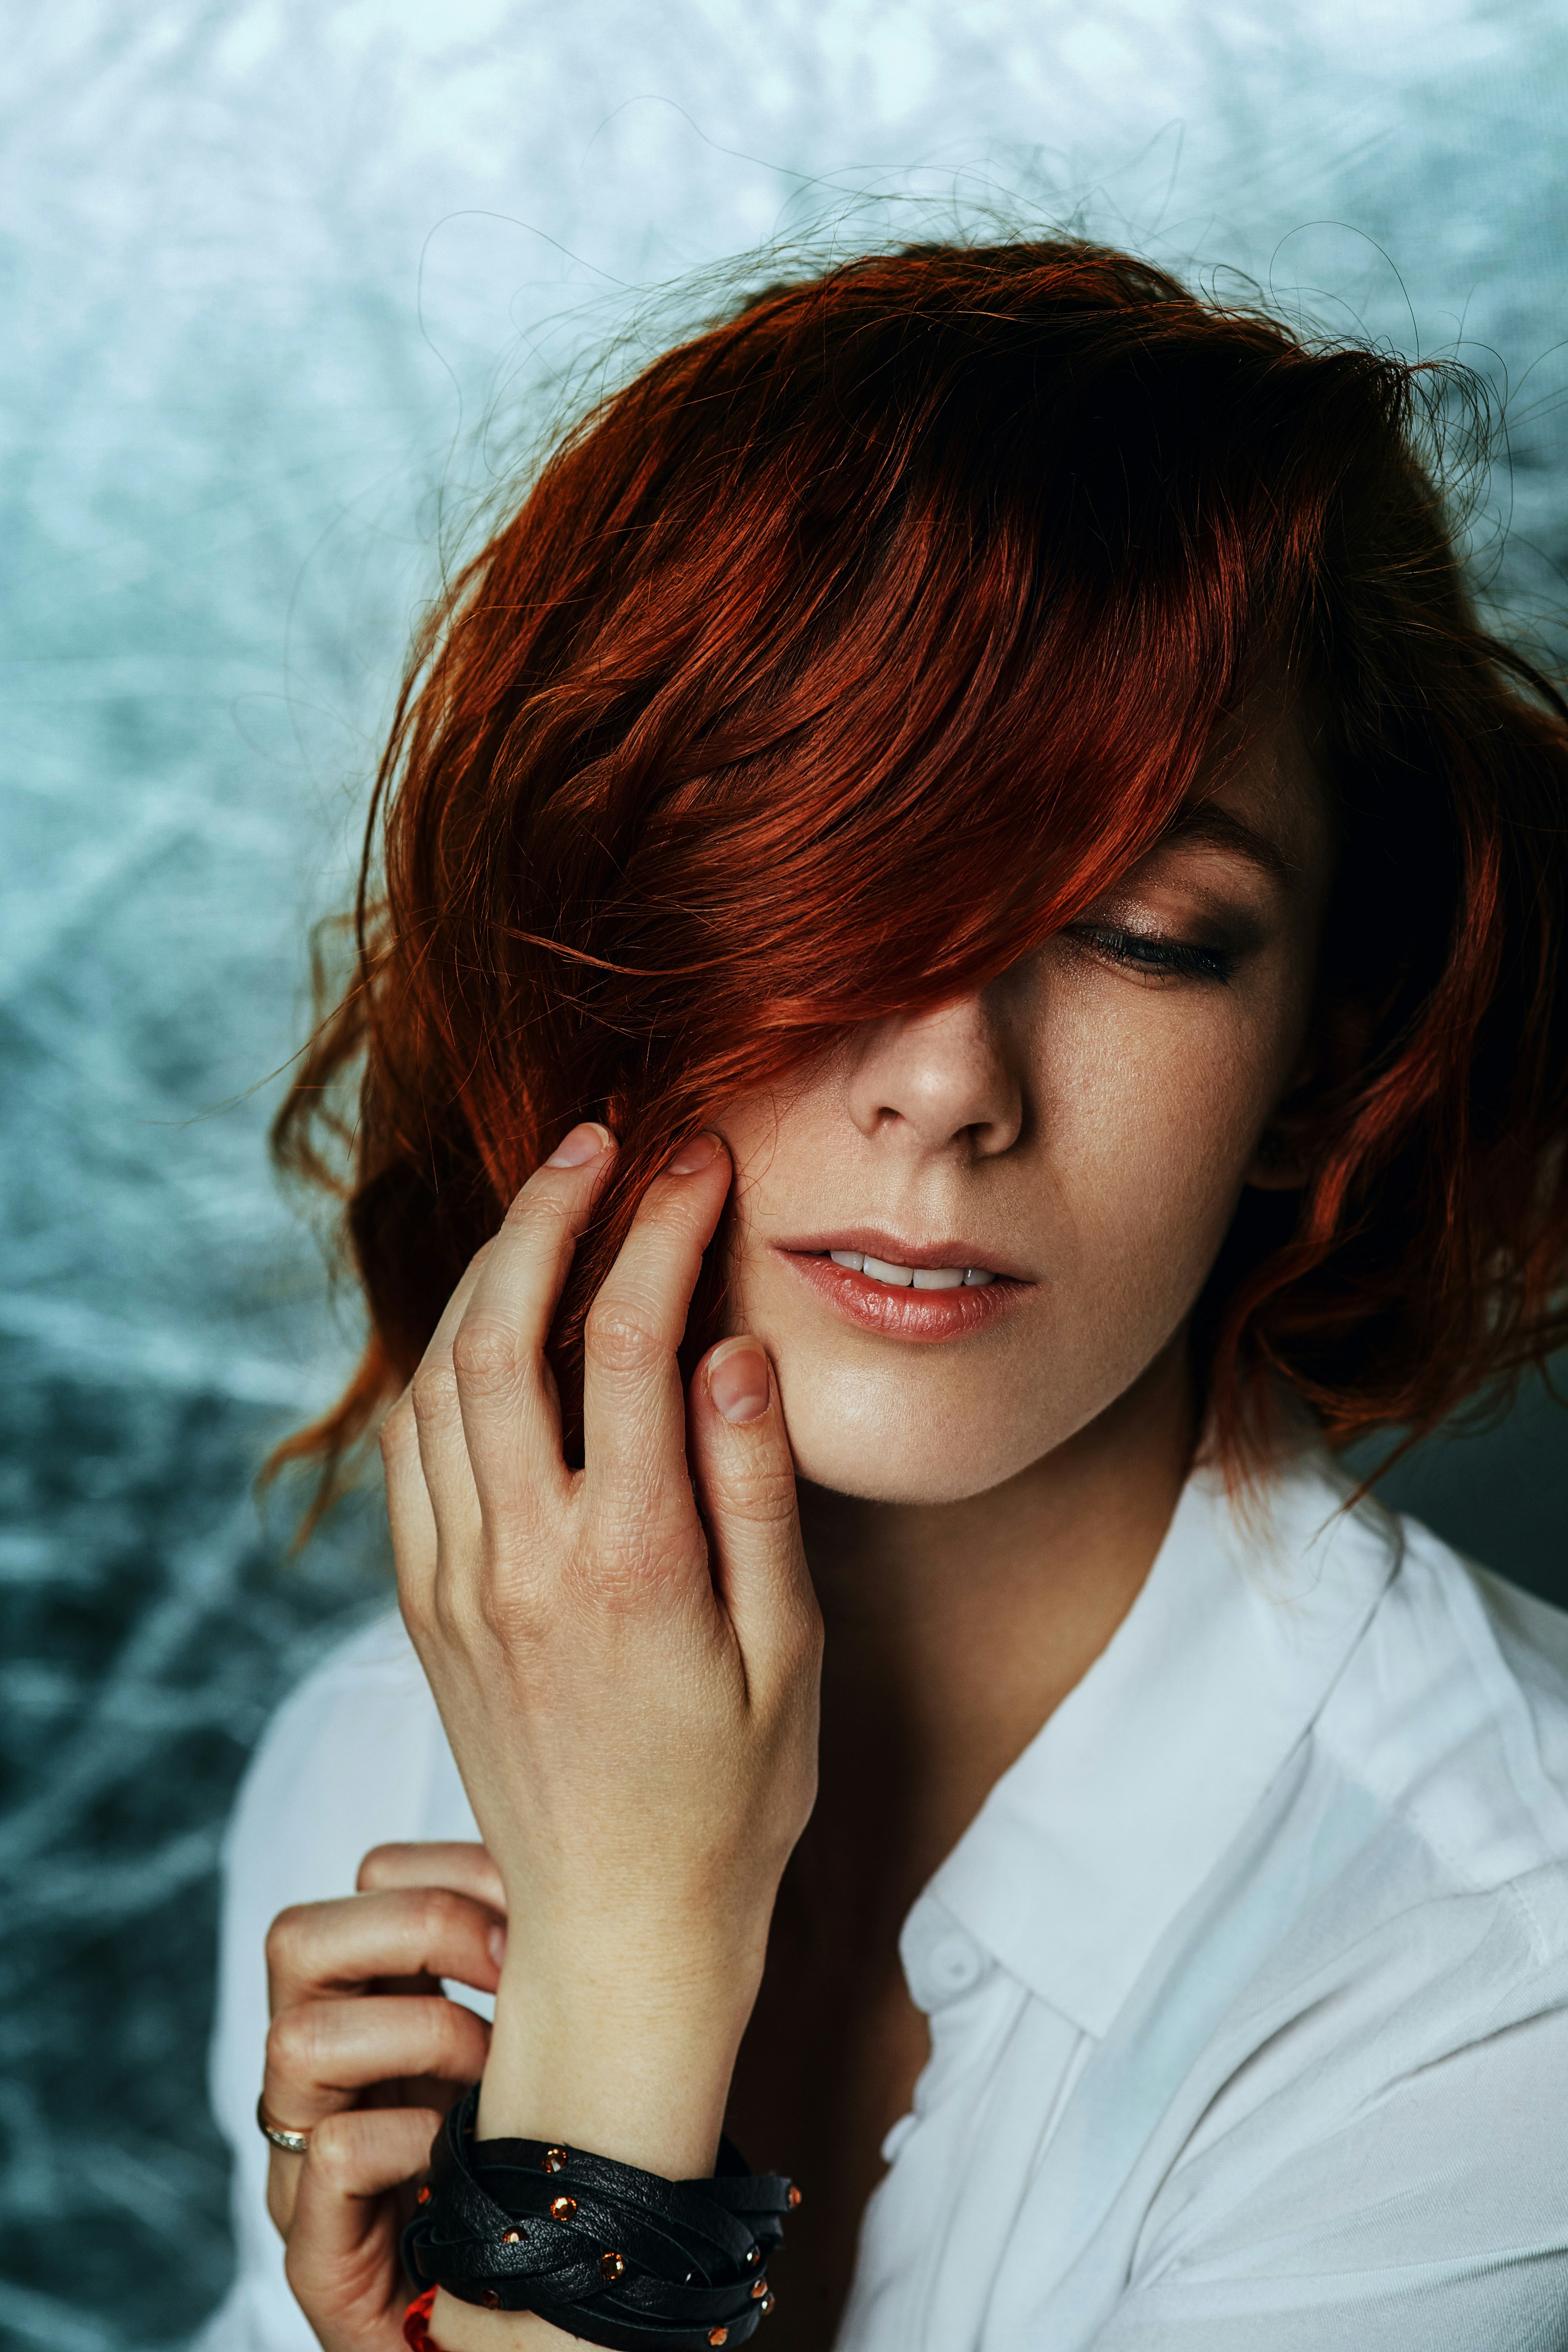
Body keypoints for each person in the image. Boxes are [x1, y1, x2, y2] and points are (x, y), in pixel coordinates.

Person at [197, 238, 1568, 2352]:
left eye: (1142, 933)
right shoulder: (377, 1762)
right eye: (850, 890)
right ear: (603, 962)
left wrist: (620, 2009)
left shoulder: (1508, 1963)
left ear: (1320, 1049)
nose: (947, 1083)